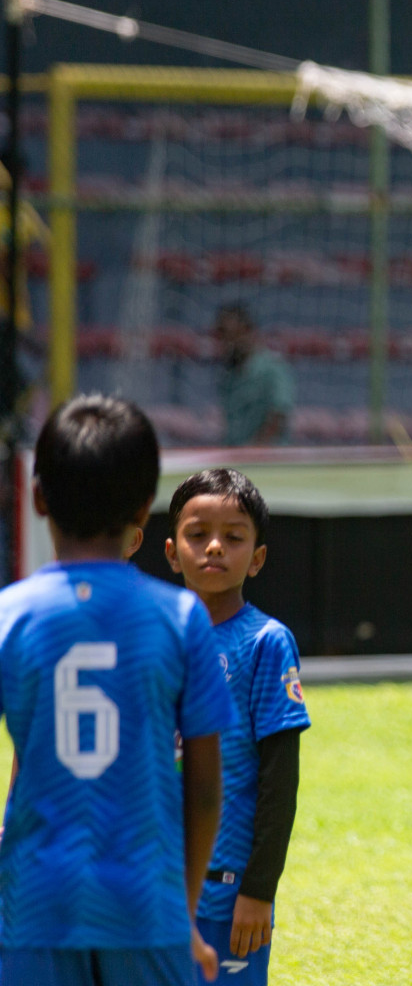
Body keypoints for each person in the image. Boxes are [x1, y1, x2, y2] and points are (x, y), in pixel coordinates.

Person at [0, 394, 236, 985]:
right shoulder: (181, 619)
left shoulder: (10, 616)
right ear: (143, 507)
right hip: (145, 906)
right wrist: (182, 914)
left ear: (37, 498)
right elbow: (206, 789)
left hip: (36, 906)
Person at [163, 469, 311, 986]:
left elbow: (279, 781)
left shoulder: (267, 643)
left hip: (227, 895)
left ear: (258, 557)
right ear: (170, 550)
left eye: (234, 536)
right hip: (150, 887)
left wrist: (259, 891)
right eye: (198, 534)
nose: (215, 548)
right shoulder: (154, 638)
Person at [214, 305, 294, 447]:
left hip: (267, 460)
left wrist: (256, 450)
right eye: (223, 339)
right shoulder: (229, 376)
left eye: (232, 337)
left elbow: (278, 414)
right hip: (237, 456)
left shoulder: (272, 369)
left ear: (247, 332)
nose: (227, 344)